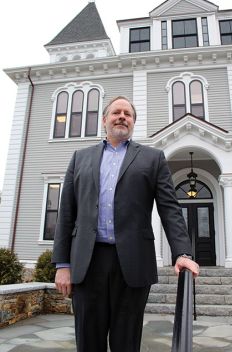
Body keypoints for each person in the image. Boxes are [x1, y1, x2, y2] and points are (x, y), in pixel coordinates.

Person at [52, 96, 199, 352]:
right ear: (104, 120)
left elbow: (170, 209)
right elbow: (66, 213)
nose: (122, 116)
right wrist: (63, 264)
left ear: (133, 122)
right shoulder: (80, 158)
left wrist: (183, 253)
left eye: (128, 114)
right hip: (87, 263)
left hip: (132, 264)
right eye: (116, 112)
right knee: (88, 342)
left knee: (126, 343)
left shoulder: (152, 159)